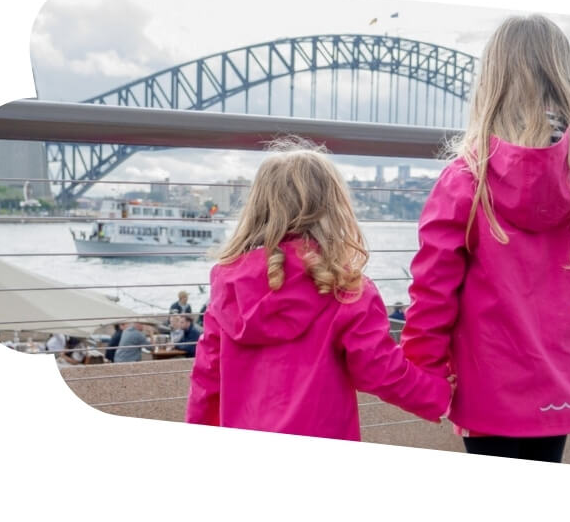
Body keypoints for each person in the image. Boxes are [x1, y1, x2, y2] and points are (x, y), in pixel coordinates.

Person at [399, 15, 570, 463]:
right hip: (564, 386)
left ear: (492, 81)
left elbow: (432, 291)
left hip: (487, 392)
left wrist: (424, 378)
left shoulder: (463, 180)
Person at [186, 138, 452, 441]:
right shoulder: (346, 290)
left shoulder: (227, 285)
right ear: (334, 208)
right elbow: (379, 369)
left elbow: (207, 378)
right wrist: (439, 394)